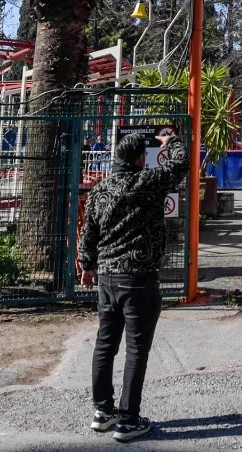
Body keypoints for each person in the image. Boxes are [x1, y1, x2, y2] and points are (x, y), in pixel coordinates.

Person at [78, 131, 187, 442]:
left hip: (107, 278)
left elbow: (89, 231)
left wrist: (87, 267)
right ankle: (128, 419)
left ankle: (103, 412)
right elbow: (180, 165)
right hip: (139, 277)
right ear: (141, 157)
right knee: (137, 349)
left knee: (105, 344)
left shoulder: (101, 189)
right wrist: (172, 142)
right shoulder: (146, 182)